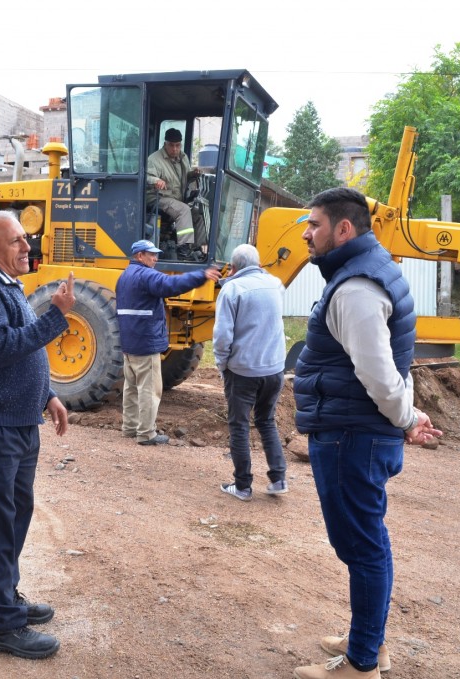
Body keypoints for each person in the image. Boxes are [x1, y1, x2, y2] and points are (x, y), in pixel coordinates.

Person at [292, 188, 442, 679]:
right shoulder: (373, 269)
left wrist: (406, 418)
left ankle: (360, 665)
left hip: (350, 435)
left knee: (362, 548)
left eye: (314, 224)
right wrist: (408, 414)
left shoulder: (356, 288)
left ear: (343, 229)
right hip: (358, 431)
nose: (306, 233)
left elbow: (377, 372)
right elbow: (396, 359)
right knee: (366, 543)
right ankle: (369, 641)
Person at [0, 210, 76, 660]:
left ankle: (0, 600)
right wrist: (56, 316)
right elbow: (2, 349)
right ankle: (1, 626)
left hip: (19, 421)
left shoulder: (6, 285)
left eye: (26, 238)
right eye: (16, 241)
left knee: (15, 515)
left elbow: (23, 348)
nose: (27, 247)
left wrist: (48, 395)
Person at [117, 239, 221, 445]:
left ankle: (130, 427)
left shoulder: (124, 276)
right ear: (140, 256)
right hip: (146, 342)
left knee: (131, 387)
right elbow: (172, 284)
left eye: (156, 254)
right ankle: (146, 433)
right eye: (151, 254)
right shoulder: (146, 275)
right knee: (149, 389)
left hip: (129, 342)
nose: (156, 258)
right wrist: (201, 275)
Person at [212, 243, 288, 502]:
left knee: (239, 425)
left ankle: (243, 486)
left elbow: (223, 335)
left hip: (243, 370)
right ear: (259, 264)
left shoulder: (232, 289)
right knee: (266, 420)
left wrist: (222, 364)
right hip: (274, 368)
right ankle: (278, 479)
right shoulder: (276, 285)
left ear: (233, 267)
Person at [146, 128, 206, 261]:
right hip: (157, 197)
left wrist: (193, 174)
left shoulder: (183, 158)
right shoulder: (154, 159)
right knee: (183, 210)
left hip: (175, 199)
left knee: (198, 213)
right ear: (165, 144)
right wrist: (156, 180)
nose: (175, 149)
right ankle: (183, 249)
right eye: (171, 145)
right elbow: (146, 176)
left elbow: (183, 176)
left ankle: (194, 247)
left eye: (177, 145)